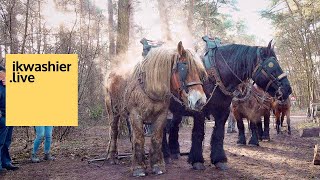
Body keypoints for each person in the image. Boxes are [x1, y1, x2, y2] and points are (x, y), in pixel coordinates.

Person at [0, 65, 19, 174]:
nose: (5, 76)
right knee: (0, 142)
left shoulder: (7, 84)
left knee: (7, 141)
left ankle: (6, 162)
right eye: (4, 74)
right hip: (2, 117)